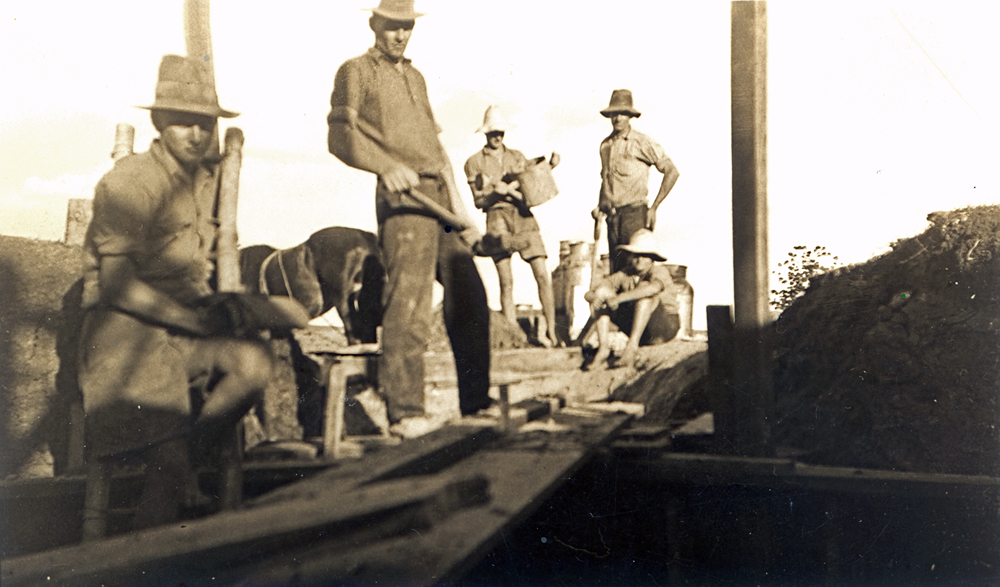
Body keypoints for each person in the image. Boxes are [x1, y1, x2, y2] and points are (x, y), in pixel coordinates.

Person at [78, 54, 276, 530]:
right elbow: (118, 287)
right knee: (166, 470)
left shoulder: (201, 183)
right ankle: (149, 562)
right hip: (124, 337)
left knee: (254, 363)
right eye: (183, 122)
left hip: (180, 334)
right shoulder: (130, 182)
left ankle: (189, 451)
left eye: (205, 124)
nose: (197, 134)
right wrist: (194, 322)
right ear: (159, 121)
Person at [327, 0, 492, 438]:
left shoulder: (415, 77)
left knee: (471, 298)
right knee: (410, 305)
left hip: (436, 197)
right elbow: (340, 135)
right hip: (404, 200)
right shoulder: (356, 71)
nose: (400, 35)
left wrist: (461, 213)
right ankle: (405, 413)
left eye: (406, 28)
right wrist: (384, 166)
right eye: (392, 27)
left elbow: (438, 155)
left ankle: (477, 403)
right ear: (374, 24)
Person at [464, 106, 561, 347]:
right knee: (506, 282)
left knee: (542, 275)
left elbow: (532, 187)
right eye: (493, 132)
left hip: (523, 215)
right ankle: (513, 337)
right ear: (485, 134)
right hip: (497, 218)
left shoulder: (517, 157)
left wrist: (550, 166)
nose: (497, 137)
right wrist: (497, 194)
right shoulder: (474, 163)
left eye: (501, 132)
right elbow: (479, 201)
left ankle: (552, 332)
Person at [594, 89, 680, 272]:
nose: (618, 118)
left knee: (636, 270)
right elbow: (606, 179)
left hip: (634, 215)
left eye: (622, 113)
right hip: (612, 218)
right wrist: (601, 205)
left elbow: (672, 172)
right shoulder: (605, 146)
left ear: (630, 116)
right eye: (614, 114)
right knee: (616, 272)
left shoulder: (641, 142)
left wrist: (654, 207)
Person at [583, 229, 681, 370]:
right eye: (635, 255)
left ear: (652, 258)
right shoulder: (626, 273)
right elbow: (593, 292)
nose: (639, 260)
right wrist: (595, 298)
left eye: (644, 256)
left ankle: (632, 348)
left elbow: (652, 289)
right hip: (641, 329)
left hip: (663, 328)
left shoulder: (659, 272)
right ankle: (603, 350)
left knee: (644, 290)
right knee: (603, 292)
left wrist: (619, 298)